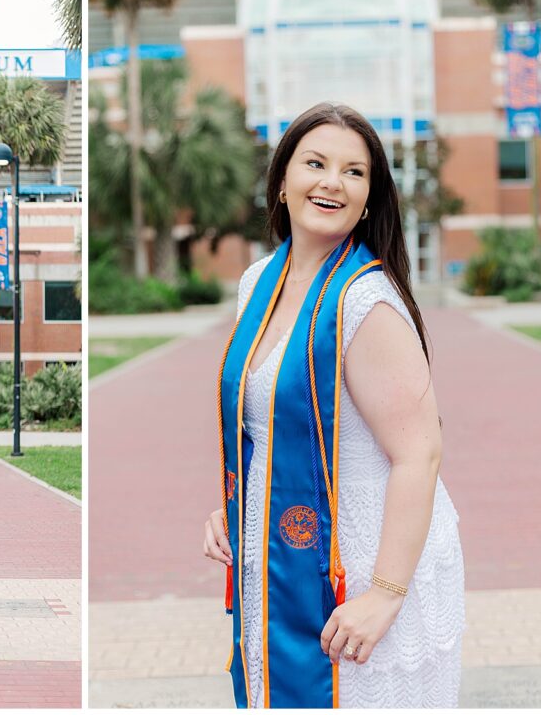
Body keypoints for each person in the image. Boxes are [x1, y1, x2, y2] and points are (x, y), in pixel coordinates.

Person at [203, 103, 464, 708]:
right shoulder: (258, 282)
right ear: (282, 180)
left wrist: (386, 594)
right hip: (282, 554)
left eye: (354, 172)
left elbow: (419, 454)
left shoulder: (365, 303)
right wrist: (233, 506)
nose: (332, 182)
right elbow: (264, 419)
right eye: (315, 163)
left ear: (369, 198)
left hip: (367, 554)